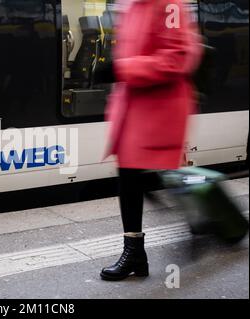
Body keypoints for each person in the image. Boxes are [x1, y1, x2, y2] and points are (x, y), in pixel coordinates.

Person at [97, 0, 203, 281]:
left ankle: (203, 220)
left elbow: (177, 58)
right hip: (134, 107)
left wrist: (122, 69)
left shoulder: (170, 5)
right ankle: (135, 254)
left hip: (160, 107)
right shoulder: (130, 4)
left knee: (149, 176)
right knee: (129, 177)